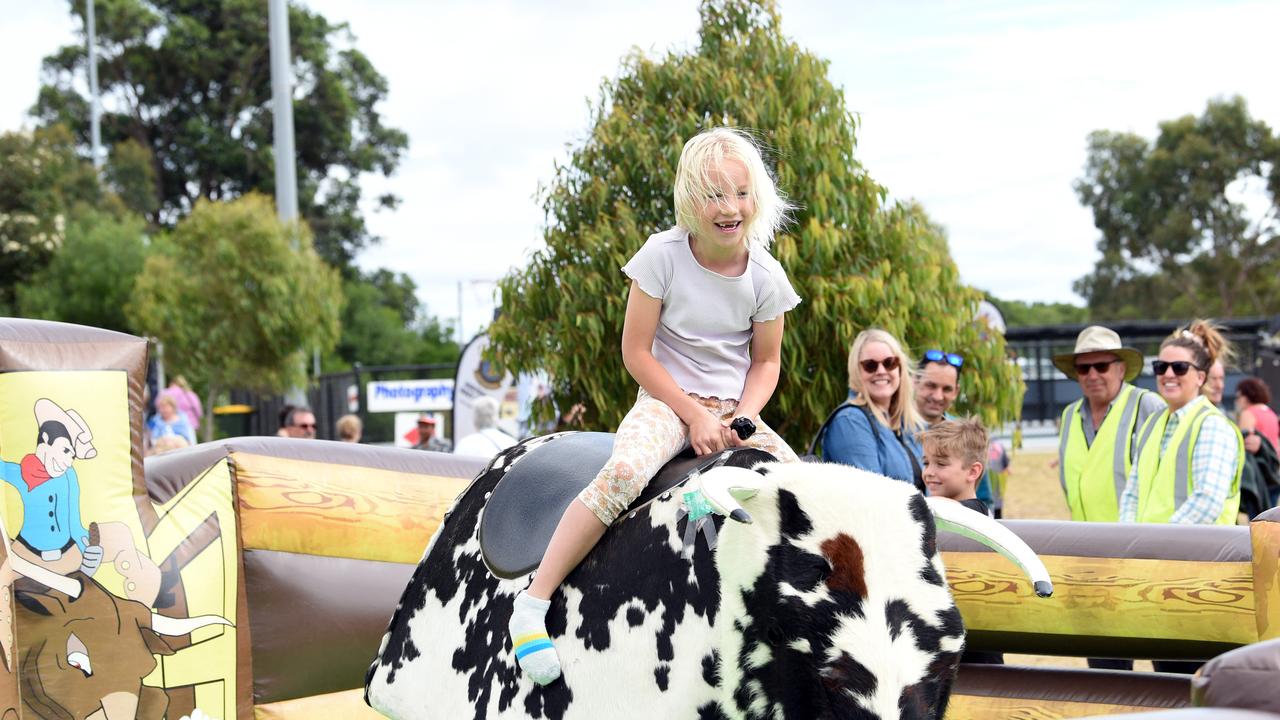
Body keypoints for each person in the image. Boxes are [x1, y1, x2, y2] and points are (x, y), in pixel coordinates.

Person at [507, 127, 802, 686]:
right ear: (690, 200)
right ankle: (534, 600)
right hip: (667, 402)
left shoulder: (766, 275)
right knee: (622, 472)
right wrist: (692, 413)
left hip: (734, 408)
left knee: (802, 488)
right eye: (714, 195)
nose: (729, 208)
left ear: (756, 198)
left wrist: (741, 415)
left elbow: (766, 363)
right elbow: (635, 352)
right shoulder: (661, 257)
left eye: (740, 193)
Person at [1120, 320, 1243, 674]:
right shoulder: (1155, 424)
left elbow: (1207, 501)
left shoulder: (1212, 426)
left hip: (1199, 576)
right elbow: (1133, 492)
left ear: (1201, 377)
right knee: (1169, 676)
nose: (1167, 374)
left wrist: (1152, 548)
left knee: (1196, 680)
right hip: (1158, 572)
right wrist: (1128, 546)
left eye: (1179, 367)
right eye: (1160, 367)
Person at [1054, 326, 1164, 523]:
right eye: (1084, 368)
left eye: (1102, 366)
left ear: (1121, 369)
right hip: (1084, 541)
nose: (1093, 375)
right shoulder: (1069, 415)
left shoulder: (1148, 406)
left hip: (1135, 543)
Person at [919, 417, 1006, 665]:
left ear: (973, 471)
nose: (929, 472)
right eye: (926, 462)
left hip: (978, 647)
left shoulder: (974, 512)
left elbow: (936, 508)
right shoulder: (937, 511)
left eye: (941, 464)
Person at [817, 328, 924, 488]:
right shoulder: (850, 421)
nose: (881, 371)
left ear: (899, 369)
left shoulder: (908, 424)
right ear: (856, 372)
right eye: (870, 365)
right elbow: (870, 495)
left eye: (889, 363)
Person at [915, 349, 994, 507]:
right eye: (931, 386)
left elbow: (984, 498)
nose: (938, 396)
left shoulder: (966, 437)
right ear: (915, 381)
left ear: (956, 391)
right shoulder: (889, 432)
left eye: (947, 389)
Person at [1234, 378, 1278, 455]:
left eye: (1238, 396)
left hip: (1257, 463)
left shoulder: (1247, 414)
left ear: (1246, 397)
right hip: (1272, 462)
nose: (1237, 401)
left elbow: (1242, 445)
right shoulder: (1272, 414)